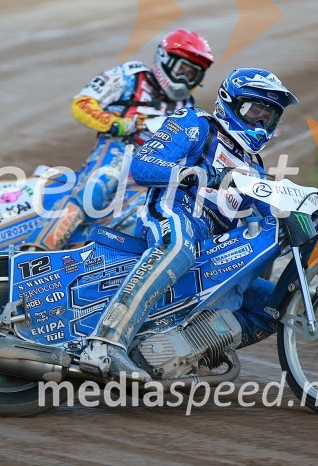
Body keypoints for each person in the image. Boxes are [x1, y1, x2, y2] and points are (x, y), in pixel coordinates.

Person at [79, 67, 298, 382]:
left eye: (270, 116)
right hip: (172, 213)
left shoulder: (255, 167)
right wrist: (193, 173)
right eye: (255, 111)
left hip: (211, 248)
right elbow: (142, 165)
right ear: (230, 103)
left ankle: (187, 350)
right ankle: (105, 342)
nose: (262, 122)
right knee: (180, 244)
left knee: (279, 302)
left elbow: (271, 216)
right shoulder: (195, 123)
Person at [25, 29, 214, 249]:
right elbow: (83, 104)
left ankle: (95, 256)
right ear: (164, 59)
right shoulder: (131, 76)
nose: (185, 79)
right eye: (182, 70)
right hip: (120, 146)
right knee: (93, 193)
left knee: (145, 211)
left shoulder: (187, 106)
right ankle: (36, 248)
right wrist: (119, 124)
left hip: (152, 163)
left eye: (193, 75)